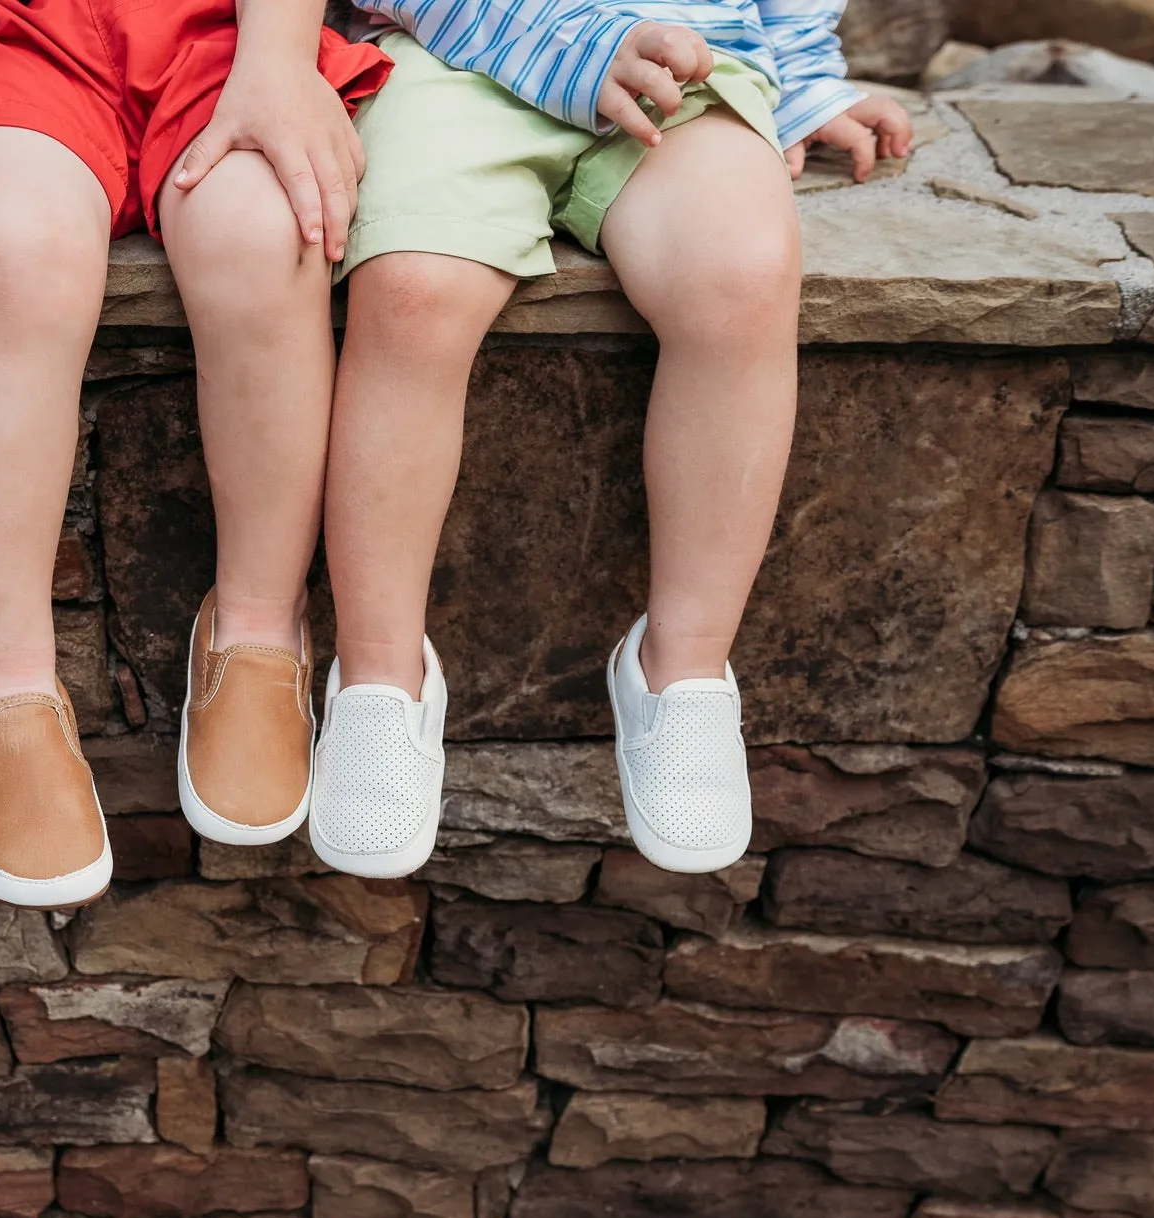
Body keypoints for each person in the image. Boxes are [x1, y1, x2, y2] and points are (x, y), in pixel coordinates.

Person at [308, 0, 910, 877]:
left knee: (741, 277)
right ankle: (377, 675)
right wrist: (568, 49)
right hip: (451, 54)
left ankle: (684, 666)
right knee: (411, 291)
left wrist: (808, 81)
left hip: (686, 73)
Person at [0, 0, 390, 908]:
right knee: (25, 249)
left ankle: (258, 624)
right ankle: (1, 683)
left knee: (268, 226)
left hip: (224, 30)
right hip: (4, 33)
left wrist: (281, 57)